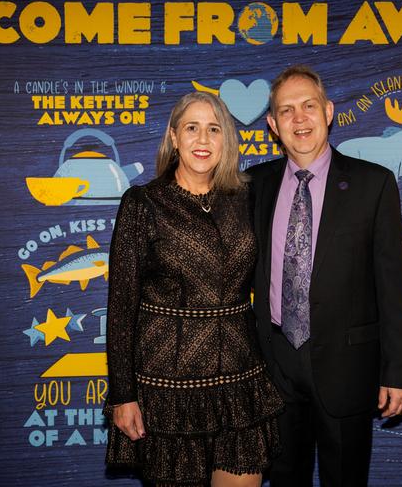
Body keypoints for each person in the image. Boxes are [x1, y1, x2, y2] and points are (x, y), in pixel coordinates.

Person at [247, 65, 402, 486]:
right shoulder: (252, 184)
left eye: (308, 106)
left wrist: (397, 372)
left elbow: (393, 285)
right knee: (285, 478)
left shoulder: (372, 184)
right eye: (286, 111)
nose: (299, 118)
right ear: (272, 124)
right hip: (275, 365)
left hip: (348, 365)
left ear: (329, 111)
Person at [104, 91, 283, 486]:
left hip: (239, 382)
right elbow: (120, 306)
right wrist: (123, 395)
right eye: (192, 128)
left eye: (214, 129)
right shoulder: (143, 204)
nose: (203, 140)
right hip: (169, 387)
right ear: (173, 137)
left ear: (226, 141)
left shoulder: (245, 198)